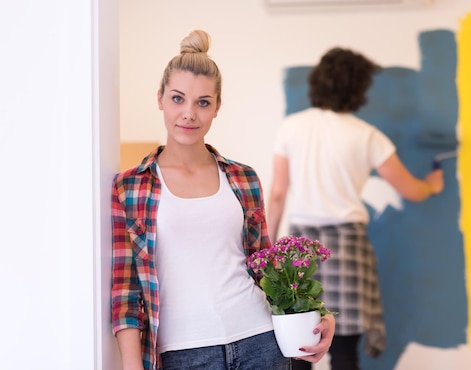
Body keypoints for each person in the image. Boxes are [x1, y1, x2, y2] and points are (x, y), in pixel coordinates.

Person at [111, 30, 336, 370]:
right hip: (183, 354)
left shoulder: (243, 178)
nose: (189, 113)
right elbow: (125, 288)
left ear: (216, 107)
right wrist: (131, 364)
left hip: (260, 340)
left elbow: (268, 267)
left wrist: (316, 315)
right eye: (177, 98)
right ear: (159, 98)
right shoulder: (130, 187)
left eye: (203, 102)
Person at [268, 47, 444, 370]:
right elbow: (411, 189)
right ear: (359, 88)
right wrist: (432, 184)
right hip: (347, 248)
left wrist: (267, 253)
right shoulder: (368, 137)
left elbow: (278, 194)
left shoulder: (291, 127)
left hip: (301, 250)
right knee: (345, 350)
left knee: (299, 347)